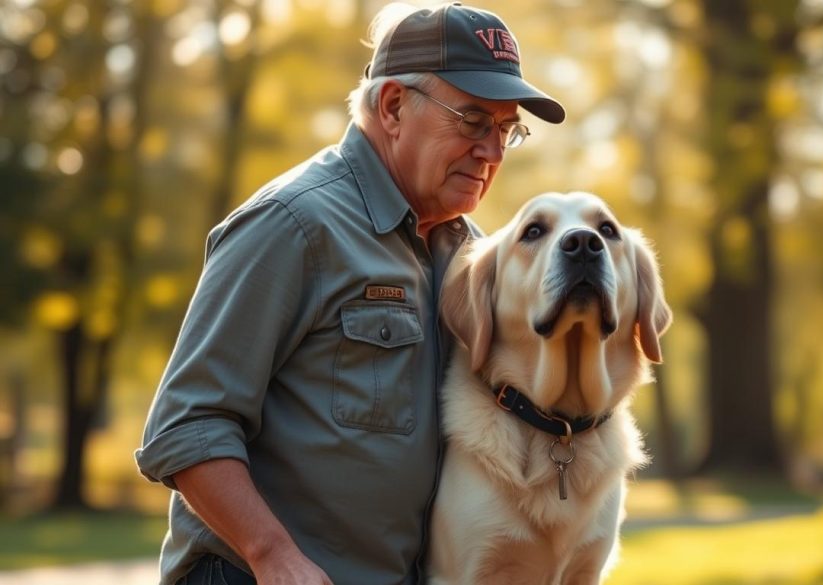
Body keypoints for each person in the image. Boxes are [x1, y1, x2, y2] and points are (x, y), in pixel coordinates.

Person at [134, 3, 565, 584]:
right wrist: (272, 554)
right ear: (393, 107)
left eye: (506, 130)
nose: (491, 151)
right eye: (472, 121)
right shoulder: (293, 224)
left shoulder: (476, 258)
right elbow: (186, 426)